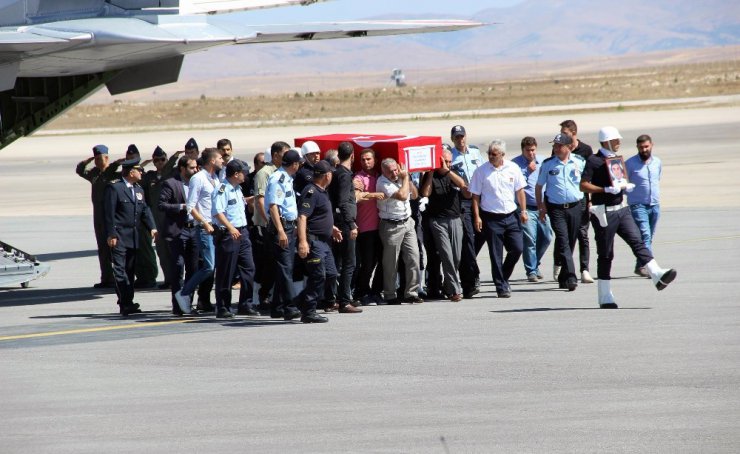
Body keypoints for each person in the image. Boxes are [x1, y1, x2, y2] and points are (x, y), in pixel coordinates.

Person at [580, 126, 676, 309]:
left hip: (622, 209)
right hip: (604, 212)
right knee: (606, 254)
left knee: (638, 241)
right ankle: (605, 295)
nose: (619, 143)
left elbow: (618, 178)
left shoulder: (616, 159)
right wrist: (604, 190)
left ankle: (657, 274)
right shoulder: (594, 160)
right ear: (607, 141)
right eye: (616, 140)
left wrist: (625, 185)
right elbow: (583, 186)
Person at [470, 139, 527, 298]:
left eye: (494, 154)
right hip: (491, 217)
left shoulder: (512, 168)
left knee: (517, 248)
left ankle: (503, 277)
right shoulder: (481, 171)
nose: (490, 156)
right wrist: (477, 217)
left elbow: (520, 191)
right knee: (496, 254)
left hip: (511, 215)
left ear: (502, 155)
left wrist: (523, 211)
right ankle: (501, 286)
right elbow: (475, 196)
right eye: (489, 153)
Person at [104, 158, 157, 316]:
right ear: (131, 172)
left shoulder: (139, 189)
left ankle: (128, 301)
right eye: (139, 170)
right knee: (120, 271)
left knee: (130, 270)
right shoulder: (115, 188)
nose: (142, 173)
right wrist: (111, 234)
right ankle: (125, 303)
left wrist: (152, 227)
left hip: (133, 236)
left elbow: (145, 210)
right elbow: (109, 213)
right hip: (119, 235)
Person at [174, 148, 223, 313]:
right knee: (209, 266)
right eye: (220, 158)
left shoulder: (214, 178)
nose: (222, 161)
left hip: (216, 226)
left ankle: (210, 300)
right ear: (212, 161)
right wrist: (204, 223)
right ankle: (184, 293)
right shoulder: (198, 178)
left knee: (213, 266)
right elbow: (190, 206)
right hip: (204, 227)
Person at [535, 133, 585, 291]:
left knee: (570, 242)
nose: (555, 148)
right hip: (556, 208)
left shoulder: (579, 162)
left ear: (569, 147)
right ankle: (571, 276)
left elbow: (586, 182)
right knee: (563, 240)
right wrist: (541, 207)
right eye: (554, 146)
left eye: (559, 146)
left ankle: (563, 277)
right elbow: (539, 186)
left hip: (576, 206)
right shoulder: (548, 164)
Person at [296, 160, 343, 323]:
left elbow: (320, 216)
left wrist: (332, 228)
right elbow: (302, 217)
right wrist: (303, 242)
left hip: (325, 242)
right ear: (327, 176)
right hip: (314, 242)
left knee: (330, 274)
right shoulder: (311, 191)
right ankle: (308, 312)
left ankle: (299, 302)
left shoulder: (322, 191)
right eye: (331, 174)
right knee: (318, 275)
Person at [419, 149, 467, 301]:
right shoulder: (430, 175)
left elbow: (464, 187)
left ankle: (448, 285)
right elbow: (425, 193)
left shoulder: (454, 173)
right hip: (438, 221)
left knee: (457, 257)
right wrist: (432, 172)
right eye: (443, 162)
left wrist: (448, 171)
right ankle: (454, 291)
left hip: (455, 219)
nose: (447, 164)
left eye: (449, 161)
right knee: (446, 256)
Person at [211, 159, 257, 318]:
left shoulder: (237, 189)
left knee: (249, 268)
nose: (245, 175)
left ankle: (246, 304)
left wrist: (251, 200)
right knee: (226, 271)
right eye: (243, 172)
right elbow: (218, 212)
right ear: (236, 174)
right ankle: (223, 306)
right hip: (229, 233)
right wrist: (231, 228)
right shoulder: (222, 189)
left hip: (242, 232)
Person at [376, 158, 423, 304]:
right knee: (391, 262)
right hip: (391, 225)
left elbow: (414, 195)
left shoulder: (402, 179)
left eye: (396, 169)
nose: (394, 173)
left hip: (407, 222)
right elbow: (403, 196)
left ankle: (411, 292)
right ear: (383, 171)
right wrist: (405, 178)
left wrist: (407, 180)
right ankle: (390, 294)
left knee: (414, 257)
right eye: (390, 172)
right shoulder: (382, 182)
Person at [264, 148, 302, 320]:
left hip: (288, 226)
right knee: (286, 268)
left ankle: (277, 306)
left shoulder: (287, 178)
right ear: (294, 164)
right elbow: (273, 206)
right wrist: (280, 231)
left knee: (284, 268)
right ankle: (289, 306)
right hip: (282, 228)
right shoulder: (278, 179)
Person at [76, 144, 121, 288]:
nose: (96, 161)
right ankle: (106, 278)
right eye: (95, 158)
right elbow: (79, 170)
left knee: (115, 248)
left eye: (99, 158)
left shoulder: (114, 174)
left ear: (106, 158)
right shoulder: (94, 174)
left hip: (112, 216)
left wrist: (115, 164)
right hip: (98, 217)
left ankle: (119, 278)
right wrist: (88, 160)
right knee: (102, 248)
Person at [159, 156, 200, 315]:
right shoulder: (171, 183)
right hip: (178, 231)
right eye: (191, 168)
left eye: (196, 167)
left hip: (194, 230)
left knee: (193, 268)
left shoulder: (196, 182)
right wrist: (181, 207)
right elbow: (161, 205)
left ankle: (188, 303)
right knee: (178, 267)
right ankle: (177, 305)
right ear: (182, 168)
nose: (195, 170)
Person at [253, 141, 290, 312]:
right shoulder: (264, 173)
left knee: (276, 263)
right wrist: (269, 222)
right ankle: (263, 296)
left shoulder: (281, 172)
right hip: (267, 225)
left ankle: (274, 297)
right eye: (285, 153)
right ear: (275, 155)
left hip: (279, 224)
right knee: (269, 263)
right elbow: (261, 200)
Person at [449, 124, 485, 298]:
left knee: (481, 237)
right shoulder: (451, 156)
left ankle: (470, 267)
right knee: (468, 241)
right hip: (463, 201)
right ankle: (472, 277)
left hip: (481, 199)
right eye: (456, 137)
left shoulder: (475, 152)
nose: (460, 139)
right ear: (452, 139)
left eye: (462, 136)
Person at [511, 136, 553, 282]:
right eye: (528, 150)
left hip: (542, 206)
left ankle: (535, 263)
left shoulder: (543, 161)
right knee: (530, 239)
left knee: (547, 237)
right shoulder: (515, 164)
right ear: (523, 150)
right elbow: (515, 185)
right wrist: (528, 172)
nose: (531, 153)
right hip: (525, 207)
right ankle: (531, 271)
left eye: (533, 150)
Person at [328, 142, 362, 313]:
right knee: (349, 263)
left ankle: (335, 298)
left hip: (338, 221)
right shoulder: (344, 175)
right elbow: (342, 202)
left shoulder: (337, 172)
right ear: (353, 155)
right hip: (344, 223)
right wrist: (351, 224)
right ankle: (344, 301)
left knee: (339, 262)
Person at [559, 120, 594, 283]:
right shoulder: (560, 147)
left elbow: (590, 175)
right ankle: (560, 264)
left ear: (573, 133)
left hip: (582, 199)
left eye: (564, 133)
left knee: (583, 234)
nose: (561, 135)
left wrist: (590, 199)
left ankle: (584, 269)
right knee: (565, 235)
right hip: (563, 201)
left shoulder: (585, 150)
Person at [141, 146, 180, 289]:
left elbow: (168, 171)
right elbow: (136, 177)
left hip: (171, 219)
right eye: (156, 160)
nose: (159, 162)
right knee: (162, 252)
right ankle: (168, 279)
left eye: (162, 159)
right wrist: (140, 165)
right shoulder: (150, 176)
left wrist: (174, 158)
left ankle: (177, 279)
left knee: (174, 252)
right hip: (157, 220)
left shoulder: (172, 174)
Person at [625, 134, 662, 277]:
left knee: (648, 237)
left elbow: (657, 178)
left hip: (654, 205)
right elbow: (623, 182)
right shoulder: (630, 164)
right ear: (637, 148)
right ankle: (650, 268)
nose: (644, 149)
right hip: (638, 205)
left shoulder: (657, 162)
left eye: (646, 146)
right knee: (645, 236)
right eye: (641, 147)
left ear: (651, 145)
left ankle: (639, 265)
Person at [352, 149, 386, 306]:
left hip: (383, 226)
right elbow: (357, 197)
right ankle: (361, 291)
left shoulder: (381, 175)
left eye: (369, 159)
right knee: (367, 263)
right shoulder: (359, 178)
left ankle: (376, 291)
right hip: (366, 228)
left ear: (375, 160)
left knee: (383, 262)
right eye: (363, 159)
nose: (366, 162)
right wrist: (373, 194)